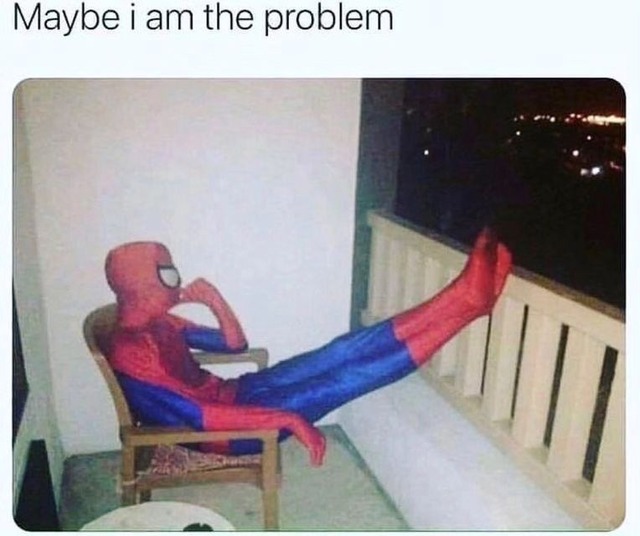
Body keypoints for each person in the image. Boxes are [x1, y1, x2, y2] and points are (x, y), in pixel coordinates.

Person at [104, 229, 511, 466]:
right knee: (343, 379)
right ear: (140, 287)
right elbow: (201, 417)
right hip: (225, 432)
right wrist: (290, 419)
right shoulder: (128, 353)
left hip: (236, 393)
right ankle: (467, 310)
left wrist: (214, 301)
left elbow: (235, 344)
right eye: (167, 275)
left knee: (339, 351)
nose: (177, 282)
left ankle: (462, 298)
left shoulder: (163, 322)